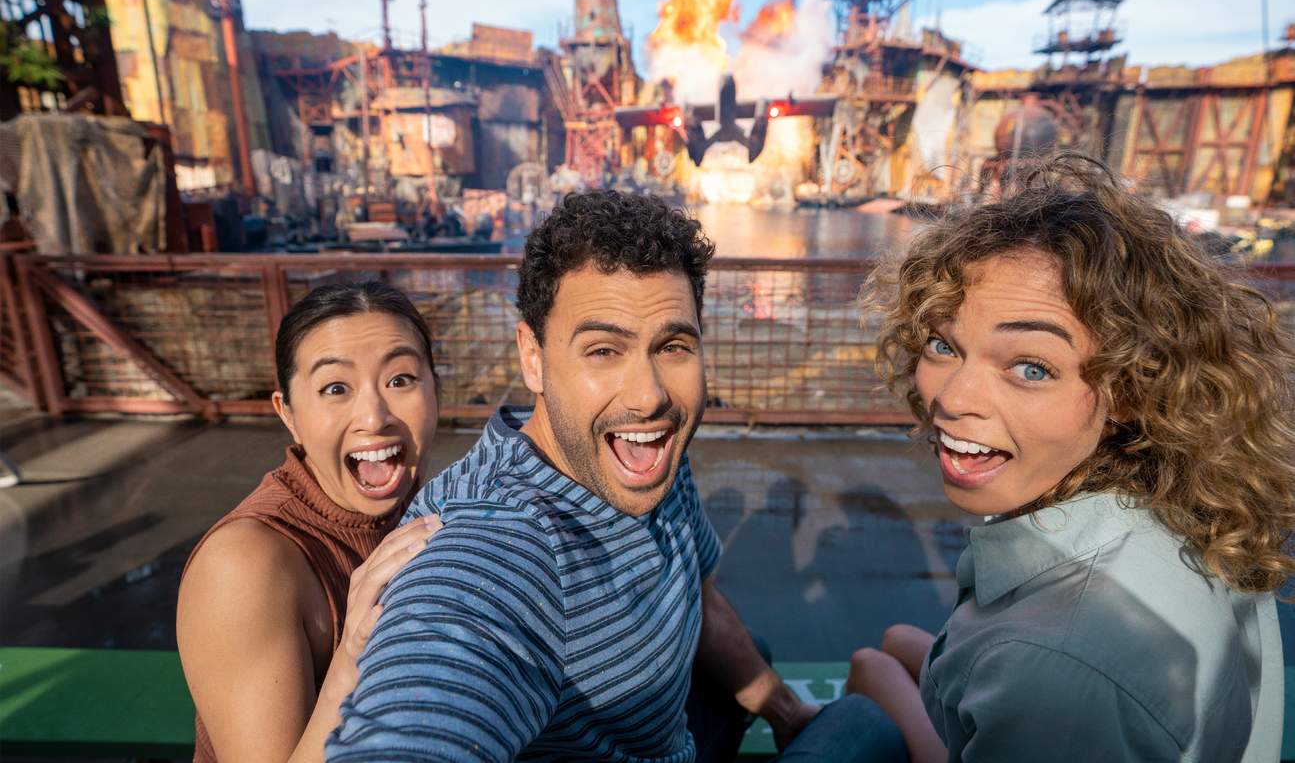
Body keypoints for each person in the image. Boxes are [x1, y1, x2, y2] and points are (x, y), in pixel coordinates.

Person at [326, 191, 906, 761]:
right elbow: (426, 702)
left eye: (673, 345)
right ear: (533, 357)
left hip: (662, 730)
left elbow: (696, 596)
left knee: (756, 652)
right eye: (603, 350)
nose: (650, 396)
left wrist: (786, 714)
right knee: (863, 722)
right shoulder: (497, 544)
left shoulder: (642, 457)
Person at [848, 154, 1291, 761]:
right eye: (942, 344)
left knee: (866, 682)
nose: (952, 399)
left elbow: (1054, 679)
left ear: (1133, 390)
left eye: (1031, 368)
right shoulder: (1190, 509)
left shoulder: (1057, 667)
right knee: (894, 644)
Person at [177, 282, 443, 762]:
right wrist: (352, 655)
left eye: (400, 379)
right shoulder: (244, 565)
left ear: (436, 389)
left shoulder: (430, 506)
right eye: (335, 388)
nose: (374, 416)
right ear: (289, 414)